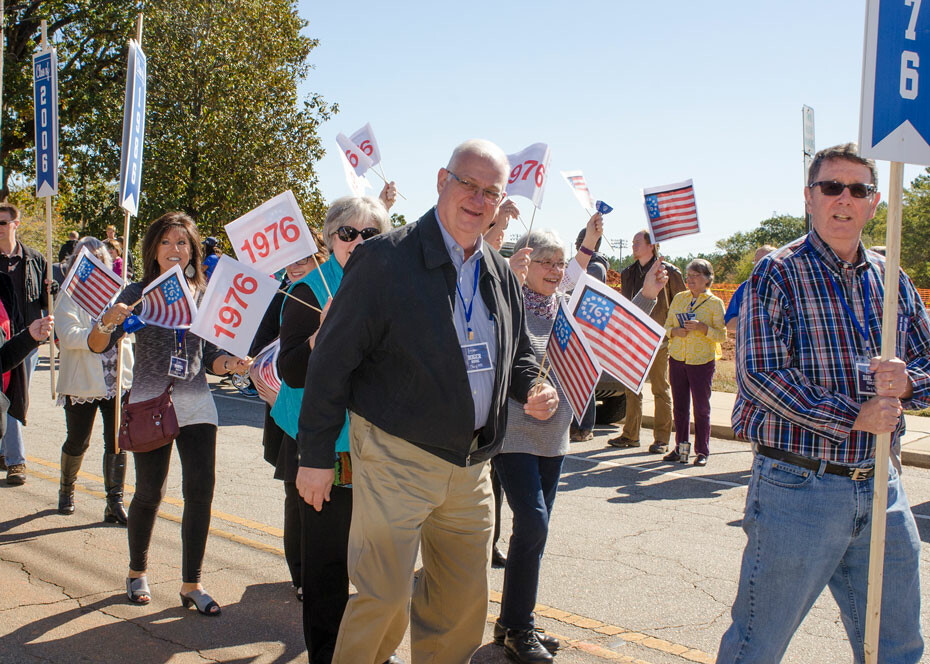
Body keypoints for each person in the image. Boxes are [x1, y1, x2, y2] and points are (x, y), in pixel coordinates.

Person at [296, 139, 559, 664]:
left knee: (461, 608)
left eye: (492, 191)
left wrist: (532, 384)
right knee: (385, 600)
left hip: (472, 467)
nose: (478, 198)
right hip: (397, 456)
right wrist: (315, 457)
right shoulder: (382, 260)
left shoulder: (501, 272)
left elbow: (519, 351)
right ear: (442, 180)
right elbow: (330, 363)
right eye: (468, 183)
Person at [717, 144, 930, 662]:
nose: (844, 199)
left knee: (897, 647)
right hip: (798, 488)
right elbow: (760, 376)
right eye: (831, 186)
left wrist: (905, 384)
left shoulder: (892, 278)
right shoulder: (778, 272)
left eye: (858, 189)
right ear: (809, 198)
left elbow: (927, 368)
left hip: (882, 484)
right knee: (756, 646)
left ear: (875, 203)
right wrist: (853, 415)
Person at [492, 227, 666, 663]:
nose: (554, 270)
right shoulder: (507, 310)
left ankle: (512, 622)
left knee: (532, 536)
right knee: (532, 526)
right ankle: (519, 628)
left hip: (555, 440)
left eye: (558, 263)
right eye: (544, 262)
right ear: (525, 263)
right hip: (513, 436)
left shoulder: (569, 309)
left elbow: (613, 335)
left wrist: (646, 292)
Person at [89, 211, 251, 616]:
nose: (174, 250)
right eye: (166, 242)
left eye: (182, 242)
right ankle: (136, 571)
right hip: (149, 403)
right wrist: (109, 321)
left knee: (200, 495)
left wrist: (231, 364)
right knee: (149, 493)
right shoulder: (138, 292)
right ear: (153, 249)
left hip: (197, 405)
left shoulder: (206, 293)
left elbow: (211, 356)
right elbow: (97, 346)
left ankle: (191, 584)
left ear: (193, 249)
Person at [274, 196, 394, 663]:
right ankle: (326, 655)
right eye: (348, 233)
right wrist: (317, 338)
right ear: (329, 239)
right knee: (327, 566)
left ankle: (371, 651)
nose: (358, 242)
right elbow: (292, 370)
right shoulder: (309, 289)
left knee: (378, 563)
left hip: (379, 447)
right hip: (326, 448)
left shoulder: (393, 289)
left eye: (371, 234)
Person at [55, 238, 134, 522]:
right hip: (82, 381)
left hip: (116, 378)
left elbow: (129, 332)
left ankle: (115, 501)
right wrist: (95, 337)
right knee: (78, 440)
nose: (89, 263)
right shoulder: (69, 293)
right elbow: (66, 333)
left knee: (117, 441)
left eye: (96, 258)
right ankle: (67, 490)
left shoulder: (117, 292)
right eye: (83, 257)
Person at [606, 230, 686, 451]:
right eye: (632, 242)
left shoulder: (669, 272)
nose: (633, 246)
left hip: (660, 339)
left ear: (652, 246)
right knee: (633, 388)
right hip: (634, 338)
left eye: (637, 242)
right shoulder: (628, 273)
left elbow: (682, 304)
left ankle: (661, 439)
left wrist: (675, 331)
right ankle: (630, 435)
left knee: (660, 389)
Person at [0, 203, 50, 485]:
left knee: (15, 397)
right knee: (4, 399)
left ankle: (11, 456)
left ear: (15, 224)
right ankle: (13, 458)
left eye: (3, 223)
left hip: (26, 341)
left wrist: (50, 293)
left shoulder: (34, 259)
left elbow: (44, 302)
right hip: (0, 342)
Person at [662, 259, 725, 466]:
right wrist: (674, 332)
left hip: (702, 361)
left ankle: (702, 451)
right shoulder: (679, 298)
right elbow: (666, 327)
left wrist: (703, 328)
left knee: (701, 408)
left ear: (707, 279)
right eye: (688, 276)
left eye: (695, 276)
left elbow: (722, 335)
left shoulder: (715, 303)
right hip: (678, 358)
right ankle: (681, 448)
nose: (690, 280)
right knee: (680, 407)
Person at [569, 223, 615, 441]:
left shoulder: (595, 267)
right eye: (579, 242)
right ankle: (576, 424)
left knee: (584, 378)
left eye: (581, 242)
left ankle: (585, 426)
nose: (578, 246)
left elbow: (579, 288)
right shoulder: (590, 265)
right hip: (578, 326)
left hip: (588, 328)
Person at [724, 244, 775, 335]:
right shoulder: (745, 288)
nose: (758, 265)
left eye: (764, 261)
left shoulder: (787, 286)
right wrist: (756, 320)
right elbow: (730, 323)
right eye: (756, 261)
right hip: (754, 346)